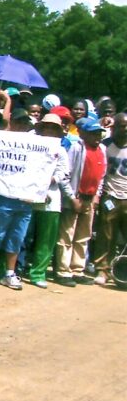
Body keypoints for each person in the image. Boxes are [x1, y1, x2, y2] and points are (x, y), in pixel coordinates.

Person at [0, 109, 36, 290]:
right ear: (12, 122)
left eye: (25, 122)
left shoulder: (34, 143)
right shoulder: (0, 139)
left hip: (24, 199)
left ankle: (9, 273)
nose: (22, 125)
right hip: (2, 197)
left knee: (17, 237)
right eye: (19, 121)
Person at [54, 117, 106, 286]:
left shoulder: (102, 149)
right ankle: (63, 271)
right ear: (84, 134)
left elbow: (102, 175)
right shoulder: (77, 148)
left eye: (99, 133)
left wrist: (97, 195)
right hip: (76, 197)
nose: (97, 137)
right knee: (67, 235)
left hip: (90, 198)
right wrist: (71, 197)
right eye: (93, 134)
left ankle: (77, 269)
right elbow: (66, 175)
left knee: (83, 236)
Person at [27, 114, 73, 288]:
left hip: (51, 199)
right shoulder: (30, 146)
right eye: (46, 126)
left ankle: (38, 273)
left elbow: (63, 173)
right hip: (28, 196)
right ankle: (14, 269)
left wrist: (47, 182)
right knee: (23, 236)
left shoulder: (60, 150)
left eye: (53, 128)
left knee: (46, 240)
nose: (49, 130)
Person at [93, 113, 127, 285]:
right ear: (113, 128)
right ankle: (102, 269)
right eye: (122, 126)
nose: (125, 129)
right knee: (106, 234)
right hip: (110, 196)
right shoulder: (105, 146)